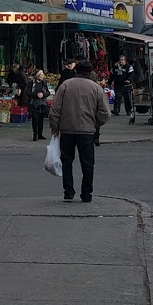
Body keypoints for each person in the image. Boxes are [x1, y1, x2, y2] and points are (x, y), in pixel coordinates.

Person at [50, 61, 112, 203]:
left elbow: (55, 109)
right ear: (90, 72)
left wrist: (55, 127)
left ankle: (68, 191)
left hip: (67, 130)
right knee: (87, 163)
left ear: (76, 70)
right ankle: (86, 194)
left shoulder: (65, 85)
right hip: (87, 131)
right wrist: (95, 124)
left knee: (66, 161)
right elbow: (105, 113)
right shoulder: (96, 88)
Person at [27, 69, 52, 141]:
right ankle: (35, 134)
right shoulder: (31, 83)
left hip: (42, 103)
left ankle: (40, 134)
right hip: (34, 103)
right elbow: (28, 93)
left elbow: (48, 92)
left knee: (41, 119)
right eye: (41, 75)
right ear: (37, 76)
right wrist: (36, 95)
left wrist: (43, 94)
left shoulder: (44, 83)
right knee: (35, 119)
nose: (43, 76)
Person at [110, 55, 137, 120]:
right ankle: (116, 110)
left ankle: (128, 110)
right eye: (120, 59)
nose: (121, 61)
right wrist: (110, 82)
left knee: (127, 98)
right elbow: (112, 74)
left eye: (122, 60)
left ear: (125, 60)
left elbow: (131, 74)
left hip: (126, 85)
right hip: (118, 85)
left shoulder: (129, 67)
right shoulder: (115, 67)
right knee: (117, 97)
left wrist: (129, 80)